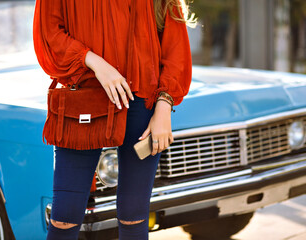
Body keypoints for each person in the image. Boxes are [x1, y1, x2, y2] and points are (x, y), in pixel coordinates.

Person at [33, 0, 194, 239]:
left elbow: (175, 46)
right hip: (83, 100)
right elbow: (49, 34)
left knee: (134, 216)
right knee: (64, 217)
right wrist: (95, 63)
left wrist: (164, 104)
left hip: (143, 104)